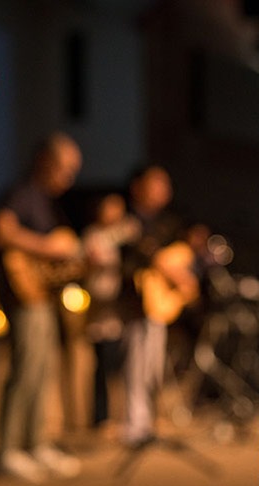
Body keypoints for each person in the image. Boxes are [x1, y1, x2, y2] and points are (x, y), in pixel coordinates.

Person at [0, 132, 83, 483]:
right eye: (65, 168)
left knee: (43, 370)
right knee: (25, 369)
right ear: (45, 161)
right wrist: (49, 247)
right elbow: (2, 233)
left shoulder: (46, 201)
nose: (69, 178)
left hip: (43, 297)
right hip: (22, 296)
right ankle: (8, 450)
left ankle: (35, 443)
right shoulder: (21, 193)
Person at [120, 165, 199, 446]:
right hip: (133, 303)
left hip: (156, 306)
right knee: (136, 364)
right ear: (138, 187)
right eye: (156, 183)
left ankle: (147, 423)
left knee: (153, 365)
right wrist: (167, 268)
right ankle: (134, 425)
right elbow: (136, 260)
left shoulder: (167, 224)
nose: (163, 190)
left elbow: (177, 257)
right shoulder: (127, 219)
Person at [82, 193, 140, 430]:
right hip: (97, 313)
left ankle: (121, 416)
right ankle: (100, 417)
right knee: (101, 368)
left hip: (117, 313)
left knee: (119, 365)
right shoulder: (93, 236)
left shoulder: (121, 234)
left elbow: (133, 230)